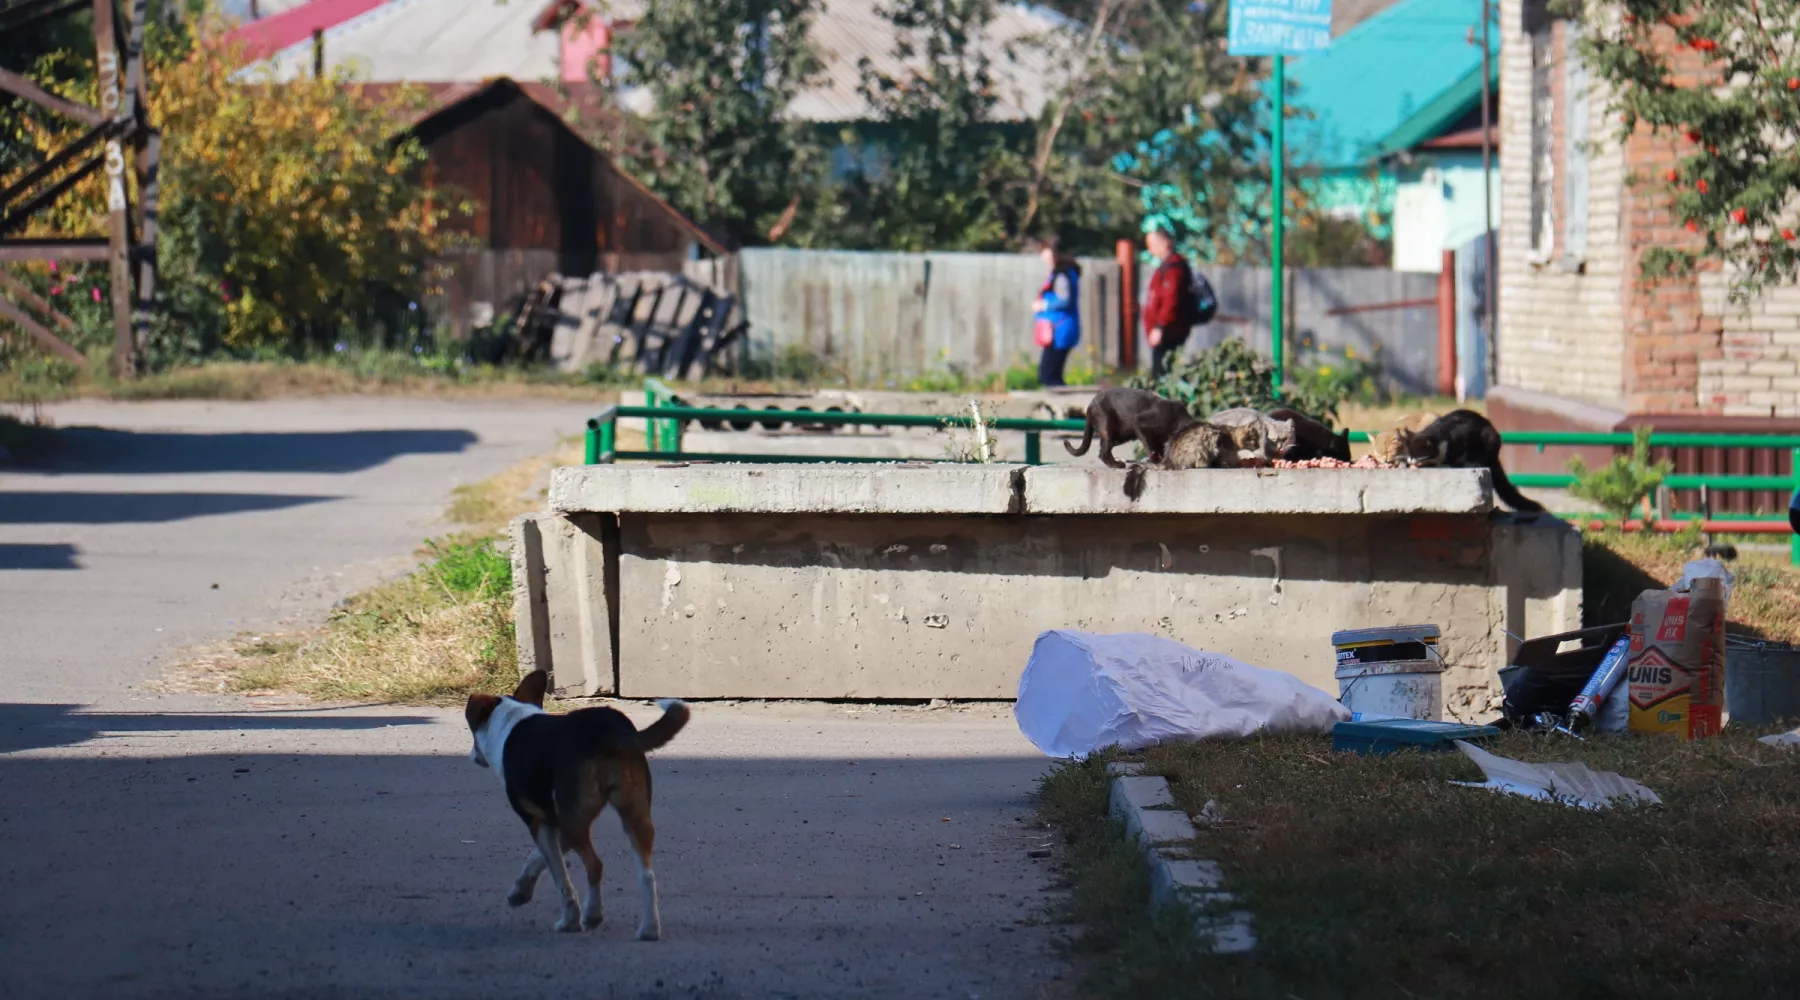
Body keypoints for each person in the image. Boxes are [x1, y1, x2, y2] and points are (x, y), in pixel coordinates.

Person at [1141, 226, 1195, 379]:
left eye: (1152, 244)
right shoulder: (1164, 267)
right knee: (1160, 372)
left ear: (1164, 243)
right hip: (1163, 331)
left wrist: (1160, 327)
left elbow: (1171, 301)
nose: (1149, 249)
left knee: (1162, 374)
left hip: (1169, 332)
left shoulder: (1174, 268)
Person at [1032, 237, 1082, 387]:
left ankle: (1064, 405)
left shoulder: (1062, 275)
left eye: (1044, 252)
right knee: (1050, 373)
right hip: (1058, 330)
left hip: (1059, 330)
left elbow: (1064, 299)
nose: (1042, 257)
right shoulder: (1061, 273)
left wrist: (1043, 305)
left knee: (1048, 374)